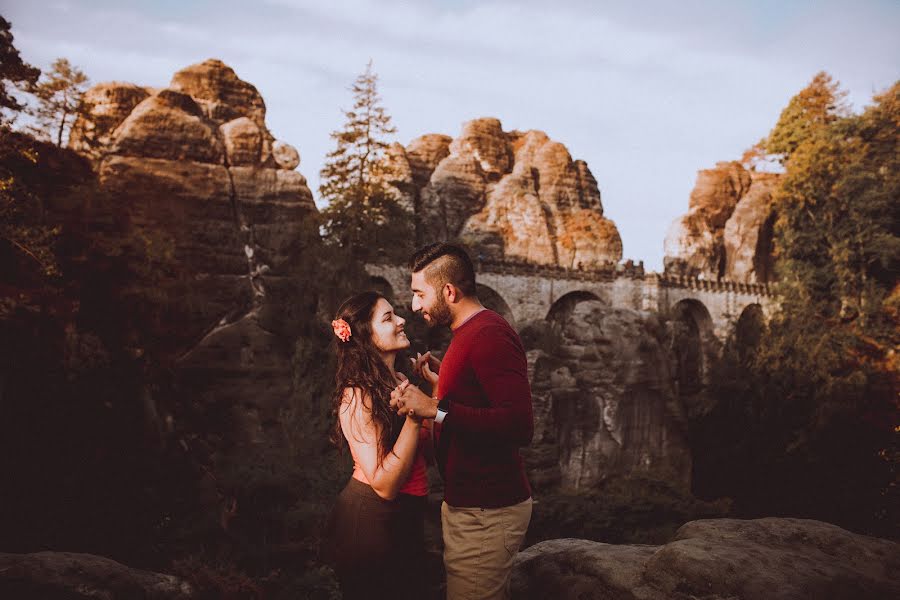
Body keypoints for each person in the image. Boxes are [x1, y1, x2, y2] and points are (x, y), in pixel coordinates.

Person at [391, 243, 534, 600]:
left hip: (488, 511)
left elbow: (518, 425)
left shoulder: (489, 334)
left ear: (449, 291)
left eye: (419, 294)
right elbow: (479, 402)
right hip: (473, 507)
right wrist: (443, 386)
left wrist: (433, 409)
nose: (414, 305)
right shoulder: (466, 332)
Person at [321, 291, 430, 600]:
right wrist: (414, 415)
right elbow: (383, 484)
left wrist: (434, 392)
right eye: (388, 318)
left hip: (407, 518)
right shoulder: (357, 395)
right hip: (371, 521)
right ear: (366, 337)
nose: (401, 319)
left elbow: (428, 454)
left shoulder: (398, 380)